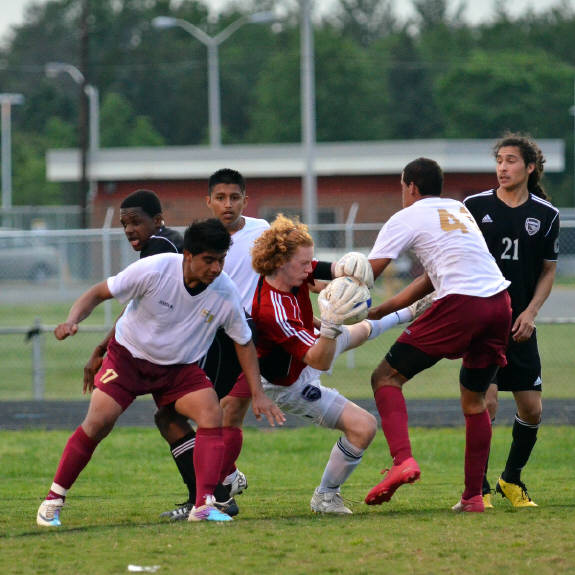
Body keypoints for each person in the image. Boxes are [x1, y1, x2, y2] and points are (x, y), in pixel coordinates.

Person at [36, 219, 284, 527]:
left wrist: (258, 393)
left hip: (178, 369)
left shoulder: (224, 291)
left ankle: (203, 505)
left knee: (210, 412)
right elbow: (98, 292)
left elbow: (243, 342)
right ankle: (53, 500)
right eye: (209, 260)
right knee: (99, 421)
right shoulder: (155, 270)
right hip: (129, 359)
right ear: (188, 255)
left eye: (221, 260)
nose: (216, 268)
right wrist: (72, 320)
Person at [363, 157, 512, 513]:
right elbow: (432, 276)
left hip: (462, 304)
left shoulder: (409, 215)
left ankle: (402, 460)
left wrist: (322, 282)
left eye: (402, 187)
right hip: (499, 304)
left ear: (411, 187)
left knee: (385, 377)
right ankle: (473, 497)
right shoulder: (458, 210)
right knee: (474, 402)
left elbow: (367, 272)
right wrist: (384, 309)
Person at [250, 214, 422, 514]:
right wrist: (330, 325)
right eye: (304, 264)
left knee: (359, 331)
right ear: (280, 262)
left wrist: (346, 268)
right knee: (364, 427)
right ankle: (325, 496)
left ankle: (412, 310)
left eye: (310, 261)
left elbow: (328, 270)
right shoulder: (273, 310)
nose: (310, 269)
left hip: (304, 350)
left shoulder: (293, 273)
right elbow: (320, 358)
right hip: (288, 383)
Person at [84, 190, 202, 519]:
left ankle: (216, 491)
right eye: (124, 224)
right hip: (193, 339)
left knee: (197, 416)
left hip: (196, 342)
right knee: (174, 417)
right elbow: (141, 306)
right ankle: (212, 492)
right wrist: (102, 347)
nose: (128, 230)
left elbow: (134, 307)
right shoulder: (166, 241)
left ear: (158, 220)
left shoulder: (159, 247)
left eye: (136, 222)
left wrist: (102, 348)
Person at [464, 133, 559, 508]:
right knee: (486, 403)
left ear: (530, 167)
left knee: (532, 409)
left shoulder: (546, 215)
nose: (502, 167)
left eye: (511, 161)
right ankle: (480, 488)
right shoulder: (474, 206)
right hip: (483, 323)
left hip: (520, 326)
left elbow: (548, 271)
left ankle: (511, 480)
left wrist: (530, 312)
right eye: (499, 160)